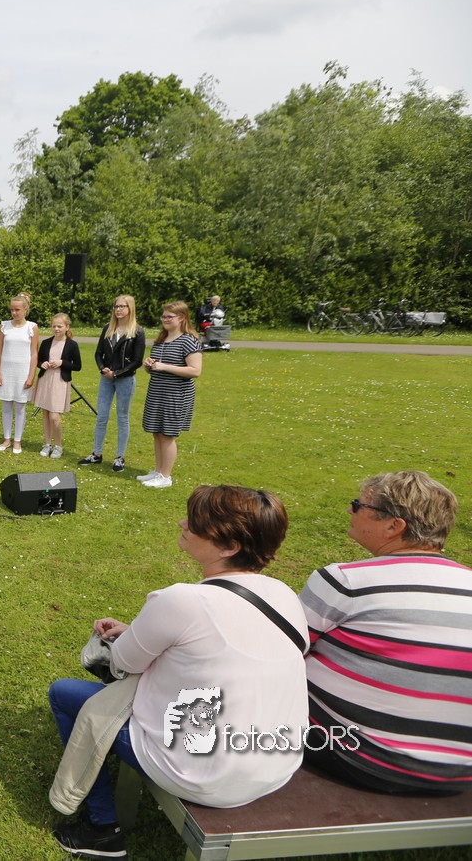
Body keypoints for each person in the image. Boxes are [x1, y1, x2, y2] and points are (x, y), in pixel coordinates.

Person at [48, 485, 308, 858]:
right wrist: (142, 634)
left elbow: (123, 664)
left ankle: (101, 828)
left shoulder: (181, 599)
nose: (183, 524)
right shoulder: (285, 596)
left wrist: (131, 639)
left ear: (229, 546)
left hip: (205, 773)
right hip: (277, 762)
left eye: (196, 523)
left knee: (65, 694)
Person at [299, 471, 472, 794]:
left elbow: (283, 652)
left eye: (359, 505)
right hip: (458, 774)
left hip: (365, 758)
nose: (350, 510)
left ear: (394, 526)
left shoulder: (346, 582)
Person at [139, 301, 203, 489]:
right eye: (163, 316)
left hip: (176, 395)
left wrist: (164, 366)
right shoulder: (161, 339)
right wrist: (149, 365)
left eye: (170, 317)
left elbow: (195, 370)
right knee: (156, 432)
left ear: (181, 318)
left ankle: (166, 476)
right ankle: (158, 471)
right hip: (157, 392)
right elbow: (157, 367)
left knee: (167, 434)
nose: (165, 319)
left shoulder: (188, 340)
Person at [81, 296, 146, 472]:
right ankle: (96, 453)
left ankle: (119, 457)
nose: (118, 309)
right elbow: (98, 354)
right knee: (102, 416)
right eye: (116, 306)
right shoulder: (108, 328)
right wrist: (103, 369)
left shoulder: (137, 332)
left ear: (130, 308)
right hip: (106, 379)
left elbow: (137, 361)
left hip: (125, 379)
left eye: (122, 306)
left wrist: (116, 373)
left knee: (122, 417)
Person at [0, 292, 39, 454]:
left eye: (17, 309)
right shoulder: (4, 326)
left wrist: (31, 376)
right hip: (6, 372)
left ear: (25, 309)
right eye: (12, 309)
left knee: (20, 407)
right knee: (6, 406)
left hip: (23, 373)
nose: (14, 313)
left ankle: (17, 441)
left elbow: (34, 353)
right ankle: (7, 439)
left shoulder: (32, 327)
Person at [34, 313, 82, 459]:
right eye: (54, 326)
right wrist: (42, 364)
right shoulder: (46, 342)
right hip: (45, 380)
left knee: (54, 416)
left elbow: (78, 366)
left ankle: (58, 446)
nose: (56, 329)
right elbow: (38, 361)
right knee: (45, 413)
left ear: (67, 327)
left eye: (59, 326)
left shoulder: (72, 345)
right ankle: (47, 444)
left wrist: (62, 363)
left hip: (60, 382)